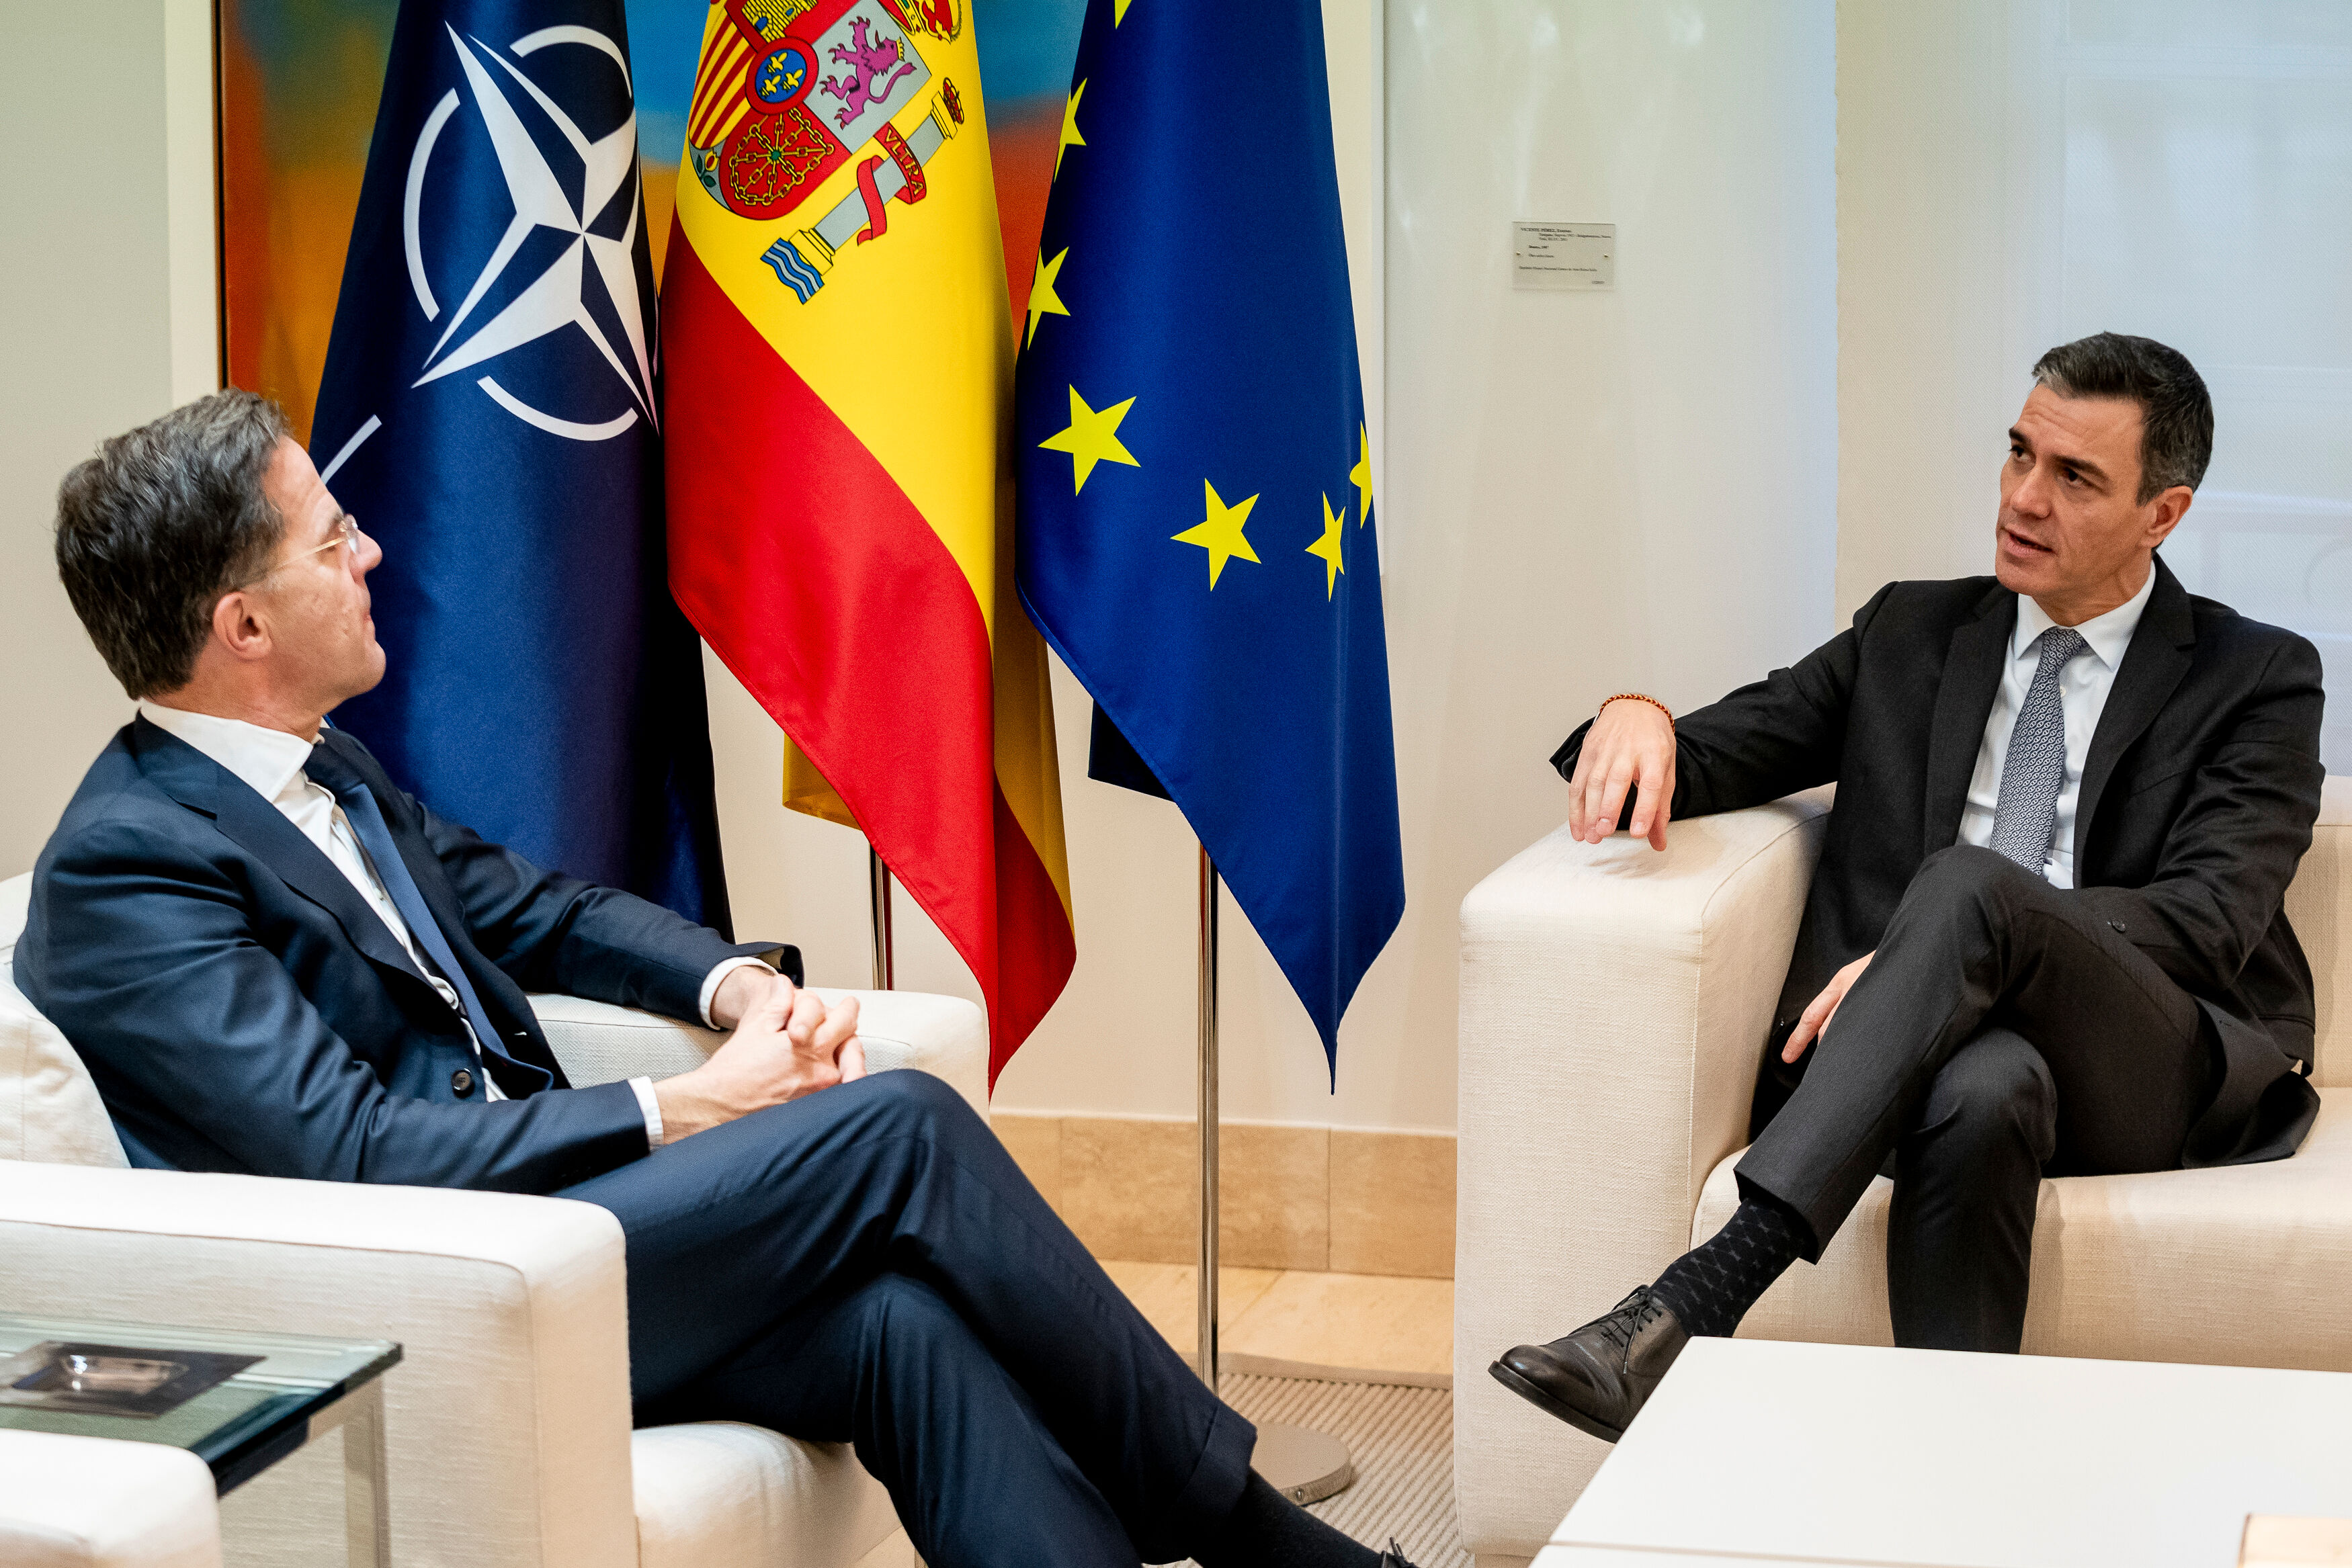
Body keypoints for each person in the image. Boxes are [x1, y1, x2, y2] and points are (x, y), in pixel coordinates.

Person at [18, 390, 1418, 1568]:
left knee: (902, 1328)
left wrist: (733, 986)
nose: (372, 551)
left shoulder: (326, 767)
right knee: (899, 1128)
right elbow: (353, 1156)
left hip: (556, 1233)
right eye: (334, 541)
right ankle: (1252, 1536)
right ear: (244, 627)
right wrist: (685, 1107)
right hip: (438, 1292)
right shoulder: (130, 865)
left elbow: (544, 912)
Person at [1492, 333, 2326, 1444]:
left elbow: (2211, 920)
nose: (2024, 498)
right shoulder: (1912, 631)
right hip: (1924, 1058)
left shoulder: (2257, 676)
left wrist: (1946, 942)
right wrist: (1636, 710)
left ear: (2162, 515)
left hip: (2141, 1056)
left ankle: (1699, 1295)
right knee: (1984, 1088)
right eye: (2019, 453)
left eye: (2076, 477)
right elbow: (1723, 747)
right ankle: (1952, 1480)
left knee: (1973, 888)